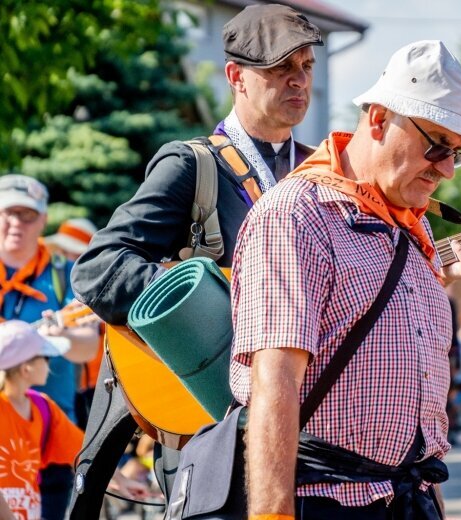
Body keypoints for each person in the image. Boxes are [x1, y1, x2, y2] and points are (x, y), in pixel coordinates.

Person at [231, 40, 461, 519]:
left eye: (458, 155)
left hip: (405, 500)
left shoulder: (412, 224)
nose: (445, 170)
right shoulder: (297, 214)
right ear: (378, 119)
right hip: (325, 502)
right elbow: (273, 384)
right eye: (437, 145)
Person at [68, 3, 324, 514]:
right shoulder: (192, 164)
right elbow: (99, 267)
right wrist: (213, 301)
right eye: (280, 69)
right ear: (237, 77)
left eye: (306, 67)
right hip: (210, 424)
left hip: (305, 424)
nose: (298, 81)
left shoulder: (322, 175)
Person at [0, 175, 101, 520]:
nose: (16, 223)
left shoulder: (66, 274)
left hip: (49, 433)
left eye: (27, 215)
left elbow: (88, 346)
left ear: (42, 220)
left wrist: (60, 337)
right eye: (9, 212)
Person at [0, 320, 146, 520]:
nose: (50, 363)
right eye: (46, 357)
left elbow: (81, 451)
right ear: (26, 369)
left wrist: (120, 480)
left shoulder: (42, 407)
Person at [45, 218, 101, 429]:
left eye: (75, 253)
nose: (68, 258)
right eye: (63, 251)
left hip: (96, 385)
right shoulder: (52, 280)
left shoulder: (96, 287)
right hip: (73, 384)